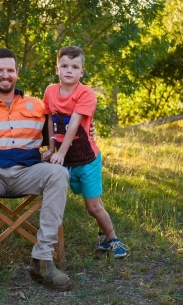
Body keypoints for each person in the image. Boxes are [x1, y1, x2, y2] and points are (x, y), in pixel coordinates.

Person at [0, 48, 73, 291]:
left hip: (28, 172)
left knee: (59, 173)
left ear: (17, 73)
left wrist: (85, 131)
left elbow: (60, 130)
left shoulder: (36, 105)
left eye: (10, 70)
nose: (5, 75)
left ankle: (42, 259)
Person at [42, 45, 128, 259]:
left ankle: (112, 238)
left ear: (82, 72)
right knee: (56, 200)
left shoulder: (85, 93)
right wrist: (51, 149)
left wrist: (60, 153)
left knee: (93, 206)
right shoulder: (50, 91)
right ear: (57, 69)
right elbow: (50, 122)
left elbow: (73, 125)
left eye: (74, 66)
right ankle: (49, 243)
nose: (69, 70)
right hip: (62, 159)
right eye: (64, 66)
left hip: (86, 159)